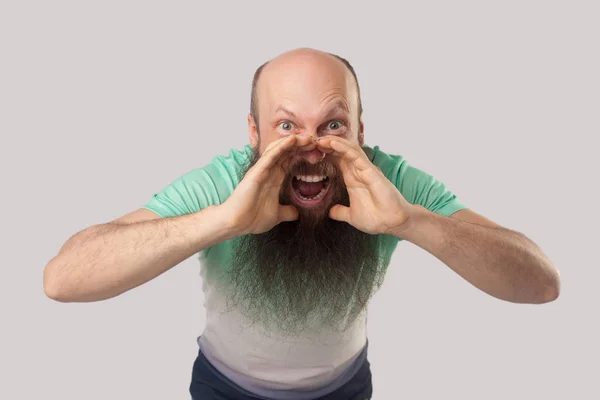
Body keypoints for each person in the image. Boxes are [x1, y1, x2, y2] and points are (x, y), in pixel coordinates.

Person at [43, 48, 561, 400]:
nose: (310, 148)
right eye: (286, 125)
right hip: (224, 387)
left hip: (347, 387)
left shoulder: (388, 180)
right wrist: (223, 221)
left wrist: (410, 221)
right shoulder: (227, 180)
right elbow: (63, 280)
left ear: (360, 128)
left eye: (332, 124)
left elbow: (540, 283)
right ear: (254, 132)